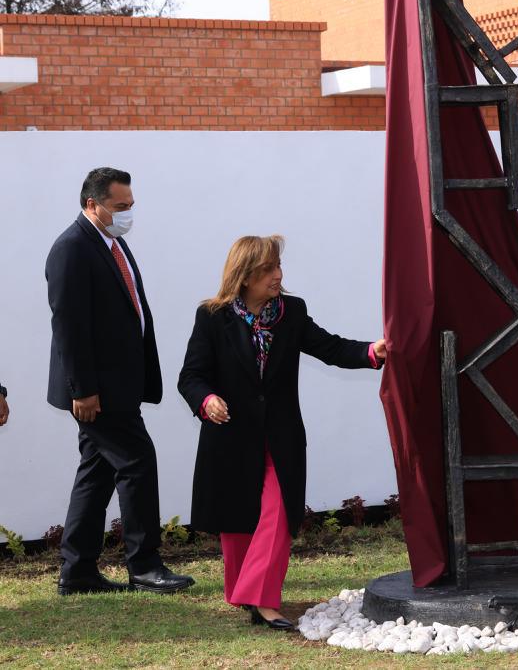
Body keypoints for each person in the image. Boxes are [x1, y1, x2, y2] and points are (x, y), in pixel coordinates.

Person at [178, 235, 386, 630]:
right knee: (237, 519)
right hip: (230, 436)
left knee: (277, 513)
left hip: (280, 435)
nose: (278, 275)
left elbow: (330, 347)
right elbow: (191, 376)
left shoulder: (292, 312)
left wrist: (370, 352)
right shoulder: (212, 316)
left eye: (278, 266)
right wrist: (207, 400)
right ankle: (244, 591)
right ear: (245, 275)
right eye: (268, 269)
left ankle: (262, 600)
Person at [46, 167, 194, 596]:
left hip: (119, 386)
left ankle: (77, 571)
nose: (128, 213)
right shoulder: (71, 249)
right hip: (98, 391)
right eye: (120, 206)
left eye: (131, 205)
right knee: (137, 462)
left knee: (96, 474)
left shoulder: (112, 243)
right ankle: (145, 566)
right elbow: (69, 327)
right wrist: (83, 389)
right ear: (93, 204)